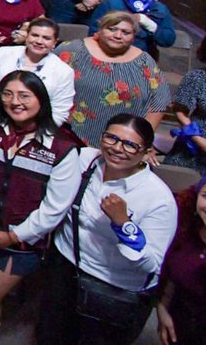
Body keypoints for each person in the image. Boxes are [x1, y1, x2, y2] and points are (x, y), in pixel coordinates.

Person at [0, 70, 81, 345]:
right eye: (7, 94)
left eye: (24, 95)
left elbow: (56, 207)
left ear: (41, 99)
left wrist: (13, 235)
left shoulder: (62, 147)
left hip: (18, 239)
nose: (15, 101)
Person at [35, 114, 175, 345]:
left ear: (146, 152)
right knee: (50, 335)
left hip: (112, 286)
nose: (117, 148)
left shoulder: (158, 198)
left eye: (130, 144)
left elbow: (151, 263)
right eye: (112, 138)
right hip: (65, 263)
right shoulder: (85, 160)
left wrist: (123, 225)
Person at [56, 11, 170, 146]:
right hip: (65, 137)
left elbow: (160, 101)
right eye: (112, 29)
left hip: (121, 144)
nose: (118, 36)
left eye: (126, 32)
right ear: (100, 29)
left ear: (134, 36)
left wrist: (143, 141)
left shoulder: (144, 61)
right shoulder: (72, 50)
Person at [0, 18, 74, 125]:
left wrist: (36, 131)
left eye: (46, 38)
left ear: (54, 43)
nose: (39, 41)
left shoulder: (63, 71)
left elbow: (59, 111)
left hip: (38, 126)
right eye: (35, 35)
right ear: (27, 36)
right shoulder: (2, 54)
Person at [154, 179, 206, 345]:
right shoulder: (185, 230)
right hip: (179, 328)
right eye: (205, 196)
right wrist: (162, 308)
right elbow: (171, 274)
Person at [89, 0, 176, 58]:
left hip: (142, 58)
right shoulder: (110, 3)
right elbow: (94, 33)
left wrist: (149, 24)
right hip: (108, 56)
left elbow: (168, 40)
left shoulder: (159, 8)